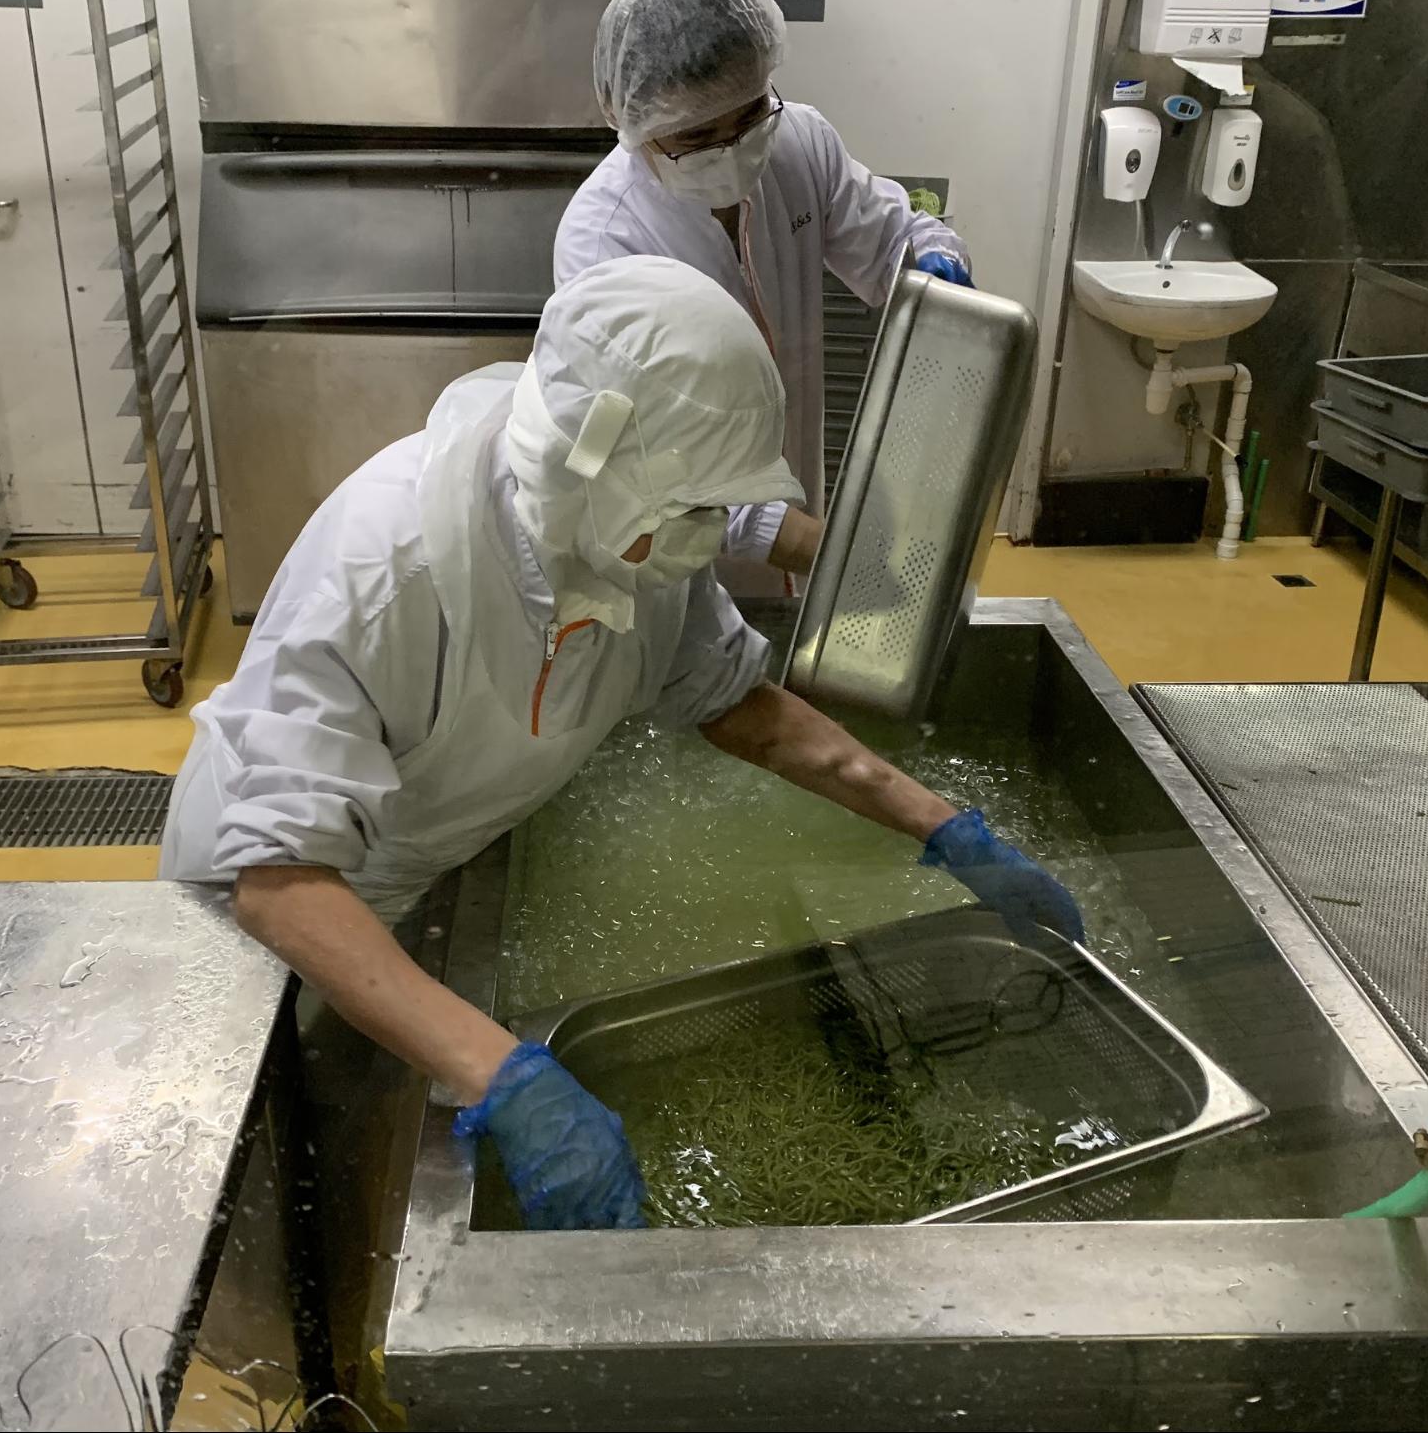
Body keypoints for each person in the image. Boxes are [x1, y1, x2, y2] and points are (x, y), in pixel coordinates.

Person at [160, 256, 1082, 1231]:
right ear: (591, 455)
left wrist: (945, 833)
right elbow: (278, 883)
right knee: (255, 1201)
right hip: (244, 929)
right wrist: (511, 1080)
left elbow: (738, 704)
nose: (711, 536)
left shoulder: (629, 544)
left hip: (400, 876)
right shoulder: (387, 569)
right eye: (693, 508)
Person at [556, 0, 974, 597]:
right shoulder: (605, 242)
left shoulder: (799, 143)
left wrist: (930, 262)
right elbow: (644, 463)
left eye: (749, 117)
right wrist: (823, 549)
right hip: (682, 567)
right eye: (696, 137)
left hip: (801, 502)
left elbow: (892, 233)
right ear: (633, 122)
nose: (731, 148)